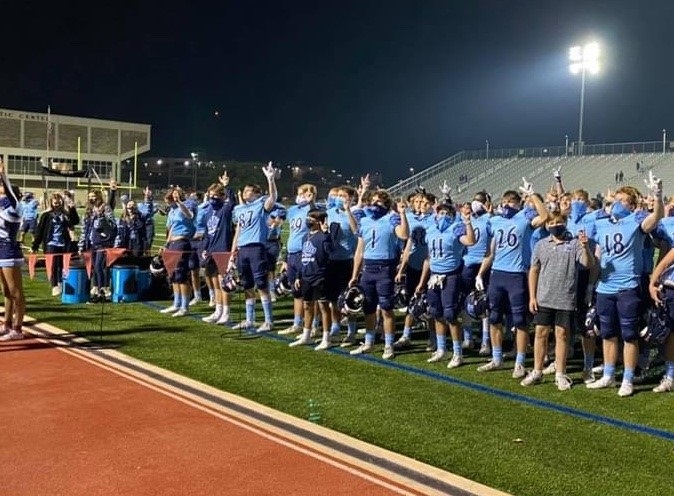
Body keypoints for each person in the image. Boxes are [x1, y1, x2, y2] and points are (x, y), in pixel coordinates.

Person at [587, 175, 663, 397]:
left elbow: (656, 217)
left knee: (630, 334)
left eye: (622, 200)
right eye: (615, 200)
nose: (616, 204)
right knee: (608, 334)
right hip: (605, 287)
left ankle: (628, 378)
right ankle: (609, 375)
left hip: (627, 286)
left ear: (631, 205)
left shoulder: (635, 222)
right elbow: (597, 254)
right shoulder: (601, 225)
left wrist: (657, 196)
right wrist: (592, 284)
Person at [475, 178, 548, 378]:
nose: (507, 205)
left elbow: (544, 216)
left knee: (520, 321)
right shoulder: (495, 221)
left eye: (511, 202)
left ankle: (520, 362)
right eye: (504, 202)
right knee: (495, 318)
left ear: (519, 204)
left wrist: (532, 195)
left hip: (516, 275)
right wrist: (481, 273)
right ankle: (497, 358)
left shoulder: (524, 218)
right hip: (497, 274)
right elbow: (491, 251)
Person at [523, 211, 594, 390]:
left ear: (565, 223)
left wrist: (585, 247)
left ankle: (560, 373)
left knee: (562, 335)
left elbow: (587, 264)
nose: (555, 225)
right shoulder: (541, 245)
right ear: (547, 226)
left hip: (565, 298)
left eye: (558, 222)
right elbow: (534, 270)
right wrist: (532, 296)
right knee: (540, 334)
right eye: (551, 222)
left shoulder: (575, 243)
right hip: (544, 297)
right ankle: (537, 370)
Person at [349, 189, 409, 359]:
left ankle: (389, 345)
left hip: (385, 268)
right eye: (373, 200)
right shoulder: (365, 221)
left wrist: (403, 214)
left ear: (387, 204)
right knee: (368, 307)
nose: (376, 204)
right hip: (368, 268)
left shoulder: (391, 218)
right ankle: (369, 342)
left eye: (380, 202)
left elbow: (404, 235)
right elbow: (359, 251)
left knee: (386, 308)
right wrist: (355, 275)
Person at [418, 199, 475, 367]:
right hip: (434, 275)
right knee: (436, 313)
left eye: (447, 213)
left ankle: (458, 353)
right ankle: (441, 348)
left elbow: (470, 241)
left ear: (452, 216)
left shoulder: (455, 229)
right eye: (441, 213)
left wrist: (467, 223)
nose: (443, 216)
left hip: (450, 276)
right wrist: (423, 280)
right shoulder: (431, 230)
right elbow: (429, 258)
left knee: (450, 314)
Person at [229, 162, 278, 332]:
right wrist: (233, 252)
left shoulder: (261, 204)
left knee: (261, 285)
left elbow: (272, 199)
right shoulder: (239, 209)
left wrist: (270, 180)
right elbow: (238, 231)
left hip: (256, 247)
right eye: (244, 190)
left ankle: (269, 320)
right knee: (247, 285)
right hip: (242, 248)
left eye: (249, 190)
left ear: (257, 193)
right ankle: (250, 319)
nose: (245, 192)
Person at [278, 183, 320, 336]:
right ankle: (297, 323)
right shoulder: (293, 210)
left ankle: (314, 325)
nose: (302, 196)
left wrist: (311, 202)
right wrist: (285, 258)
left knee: (309, 292)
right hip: (292, 254)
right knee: (296, 292)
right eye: (301, 193)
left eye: (306, 193)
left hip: (306, 254)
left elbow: (317, 216)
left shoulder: (314, 209)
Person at [288, 209, 334, 348]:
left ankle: (326, 337)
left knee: (323, 306)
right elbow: (303, 258)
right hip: (306, 275)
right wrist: (298, 276)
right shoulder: (305, 237)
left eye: (312, 218)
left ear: (320, 222)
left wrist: (326, 234)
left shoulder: (323, 236)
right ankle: (306, 335)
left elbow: (329, 252)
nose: (308, 220)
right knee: (307, 305)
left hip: (320, 275)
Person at [325, 185, 360, 348]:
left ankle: (352, 332)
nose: (339, 198)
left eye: (343, 196)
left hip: (347, 260)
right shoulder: (331, 213)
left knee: (348, 298)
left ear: (351, 198)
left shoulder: (356, 213)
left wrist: (348, 211)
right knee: (332, 298)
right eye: (338, 195)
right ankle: (335, 326)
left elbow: (357, 232)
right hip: (332, 259)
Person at [200, 180, 237, 325]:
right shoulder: (209, 211)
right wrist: (205, 248)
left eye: (215, 196)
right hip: (211, 250)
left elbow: (232, 201)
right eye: (210, 195)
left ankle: (226, 313)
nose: (212, 198)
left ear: (222, 197)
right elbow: (208, 232)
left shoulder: (225, 210)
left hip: (223, 250)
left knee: (224, 283)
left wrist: (226, 186)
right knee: (215, 282)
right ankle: (218, 310)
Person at [0, 157, 27, 341]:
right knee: (6, 292)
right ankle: (7, 324)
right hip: (0, 250)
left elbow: (9, 193)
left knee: (15, 290)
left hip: (9, 251)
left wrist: (3, 175)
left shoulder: (16, 208)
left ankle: (17, 328)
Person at [158, 186, 196, 317]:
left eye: (175, 195)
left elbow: (189, 215)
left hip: (182, 242)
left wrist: (179, 202)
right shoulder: (172, 211)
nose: (172, 198)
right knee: (173, 275)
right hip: (173, 243)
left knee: (181, 275)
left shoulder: (186, 205)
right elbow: (171, 228)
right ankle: (176, 302)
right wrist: (166, 245)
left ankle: (185, 306)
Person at [31, 192, 78, 296]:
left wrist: (72, 208)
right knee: (52, 264)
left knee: (61, 265)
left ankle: (61, 282)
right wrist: (35, 245)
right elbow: (40, 231)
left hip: (63, 243)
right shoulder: (46, 215)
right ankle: (54, 285)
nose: (57, 203)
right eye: (55, 201)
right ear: (51, 202)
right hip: (50, 243)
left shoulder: (65, 214)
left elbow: (74, 221)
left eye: (59, 201)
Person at [78, 188, 117, 299]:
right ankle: (97, 289)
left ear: (99, 197)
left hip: (103, 242)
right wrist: (81, 245)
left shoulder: (106, 208)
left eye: (93, 196)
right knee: (95, 266)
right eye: (90, 196)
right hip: (92, 242)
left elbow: (112, 225)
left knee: (99, 266)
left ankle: (102, 290)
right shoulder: (89, 210)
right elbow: (85, 228)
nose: (91, 198)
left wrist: (102, 217)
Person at [137, 186, 159, 254]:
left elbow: (149, 211)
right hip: (140, 224)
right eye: (147, 190)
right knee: (139, 243)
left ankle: (147, 259)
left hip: (149, 225)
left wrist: (148, 198)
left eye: (150, 190)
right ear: (144, 191)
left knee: (148, 244)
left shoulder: (155, 205)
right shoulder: (139, 204)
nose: (149, 192)